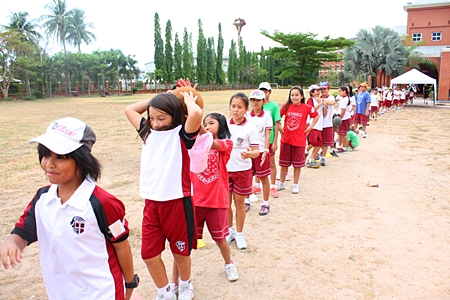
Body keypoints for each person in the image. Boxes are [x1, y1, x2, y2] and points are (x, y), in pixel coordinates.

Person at [0, 117, 137, 300]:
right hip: (60, 292)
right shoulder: (43, 199)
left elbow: (121, 247)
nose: (50, 164)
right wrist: (12, 242)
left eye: (61, 157)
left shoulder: (102, 203)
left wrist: (129, 283)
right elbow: (23, 233)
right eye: (46, 155)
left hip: (100, 292)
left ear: (82, 160)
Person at [125, 90, 203, 300]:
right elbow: (129, 109)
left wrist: (185, 99)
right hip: (152, 203)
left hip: (178, 201)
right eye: (152, 117)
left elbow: (195, 114)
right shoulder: (147, 131)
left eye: (161, 118)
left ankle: (185, 285)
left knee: (180, 252)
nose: (156, 123)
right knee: (148, 254)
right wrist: (160, 99)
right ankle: (164, 291)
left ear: (175, 115)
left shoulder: (181, 134)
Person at [189, 113, 240, 281]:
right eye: (205, 123)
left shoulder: (226, 144)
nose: (207, 126)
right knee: (187, 243)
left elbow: (210, 142)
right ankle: (182, 278)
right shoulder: (194, 145)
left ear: (222, 126)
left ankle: (229, 264)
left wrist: (195, 117)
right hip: (195, 202)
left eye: (211, 123)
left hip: (217, 202)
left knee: (221, 240)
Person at [226, 92, 260, 250]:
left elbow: (256, 151)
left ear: (246, 109)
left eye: (240, 107)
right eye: (233, 106)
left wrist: (249, 154)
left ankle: (239, 233)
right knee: (226, 204)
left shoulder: (250, 128)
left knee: (239, 204)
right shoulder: (224, 124)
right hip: (225, 171)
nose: (236, 110)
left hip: (242, 171)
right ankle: (229, 231)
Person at [277, 86, 318, 194]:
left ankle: (295, 184)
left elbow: (316, 116)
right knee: (284, 163)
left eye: (296, 95)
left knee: (297, 164)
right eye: (292, 95)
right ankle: (281, 183)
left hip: (299, 141)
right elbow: (277, 117)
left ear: (301, 96)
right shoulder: (286, 106)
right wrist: (280, 127)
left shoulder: (307, 107)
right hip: (286, 140)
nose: (294, 97)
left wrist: (311, 127)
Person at [247, 90, 273, 215]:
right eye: (253, 100)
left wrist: (266, 150)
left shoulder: (267, 116)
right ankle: (246, 199)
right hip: (249, 152)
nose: (255, 103)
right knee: (247, 176)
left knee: (263, 177)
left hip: (261, 151)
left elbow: (267, 135)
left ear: (263, 101)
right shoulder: (247, 116)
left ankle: (265, 202)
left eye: (258, 100)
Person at [257, 82, 282, 198]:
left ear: (269, 92)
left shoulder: (273, 106)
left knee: (271, 163)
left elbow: (277, 124)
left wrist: (276, 141)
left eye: (266, 91)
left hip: (270, 139)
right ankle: (256, 185)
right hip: (257, 140)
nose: (264, 94)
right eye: (261, 91)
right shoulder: (257, 105)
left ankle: (273, 186)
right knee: (258, 163)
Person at [306, 84, 326, 168]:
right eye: (316, 90)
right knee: (313, 143)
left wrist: (323, 105)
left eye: (319, 90)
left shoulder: (320, 100)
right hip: (313, 125)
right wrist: (320, 103)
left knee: (319, 144)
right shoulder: (310, 100)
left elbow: (324, 113)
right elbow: (312, 110)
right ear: (311, 92)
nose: (318, 92)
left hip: (320, 125)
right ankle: (304, 151)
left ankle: (311, 159)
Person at [319, 82, 335, 166]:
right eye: (321, 89)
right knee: (318, 141)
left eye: (324, 89)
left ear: (328, 89)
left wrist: (322, 101)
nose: (323, 91)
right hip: (319, 123)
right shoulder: (319, 98)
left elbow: (332, 103)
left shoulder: (331, 97)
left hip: (327, 123)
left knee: (325, 142)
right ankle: (319, 153)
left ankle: (323, 157)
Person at [337, 86, 353, 152]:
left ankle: (343, 147)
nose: (339, 92)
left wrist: (339, 117)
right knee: (341, 133)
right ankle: (341, 146)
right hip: (345, 118)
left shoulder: (344, 100)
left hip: (344, 118)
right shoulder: (345, 98)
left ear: (344, 91)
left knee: (343, 133)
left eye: (340, 91)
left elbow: (343, 111)